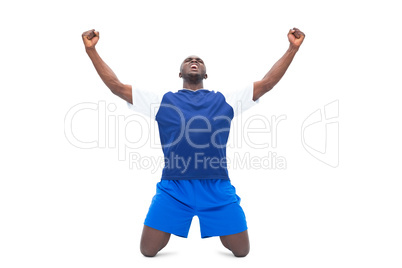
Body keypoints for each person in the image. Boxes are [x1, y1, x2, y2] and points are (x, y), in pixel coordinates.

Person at [82, 27, 305, 257]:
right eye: (188, 60)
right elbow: (116, 87)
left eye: (199, 60)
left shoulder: (225, 100)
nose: (194, 61)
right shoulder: (162, 101)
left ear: (205, 74)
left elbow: (267, 83)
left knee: (241, 252)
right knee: (147, 251)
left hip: (217, 187)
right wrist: (92, 51)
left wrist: (292, 48)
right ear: (180, 73)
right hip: (174, 187)